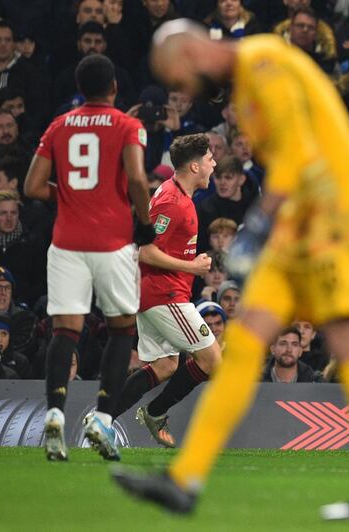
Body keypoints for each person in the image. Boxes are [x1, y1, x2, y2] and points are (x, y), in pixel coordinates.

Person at [111, 21, 349, 521]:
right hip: (297, 225)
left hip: (336, 219)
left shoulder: (265, 61)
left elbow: (300, 151)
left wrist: (259, 221)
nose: (182, 89)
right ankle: (184, 481)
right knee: (243, 345)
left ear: (193, 50)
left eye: (178, 76)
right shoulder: (248, 85)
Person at [23, 53, 153, 461]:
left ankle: (56, 415)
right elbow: (135, 177)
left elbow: (31, 185)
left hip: (66, 244)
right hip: (113, 244)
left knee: (64, 331)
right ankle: (102, 419)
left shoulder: (59, 125)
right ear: (114, 86)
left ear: (79, 89)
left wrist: (67, 196)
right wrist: (145, 221)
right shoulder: (128, 125)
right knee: (121, 329)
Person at [109, 134, 222, 449]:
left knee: (165, 366)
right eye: (211, 159)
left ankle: (101, 420)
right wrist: (193, 268)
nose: (214, 164)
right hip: (164, 293)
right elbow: (144, 251)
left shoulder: (179, 196)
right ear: (195, 166)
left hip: (157, 292)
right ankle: (155, 413)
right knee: (212, 358)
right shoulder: (171, 202)